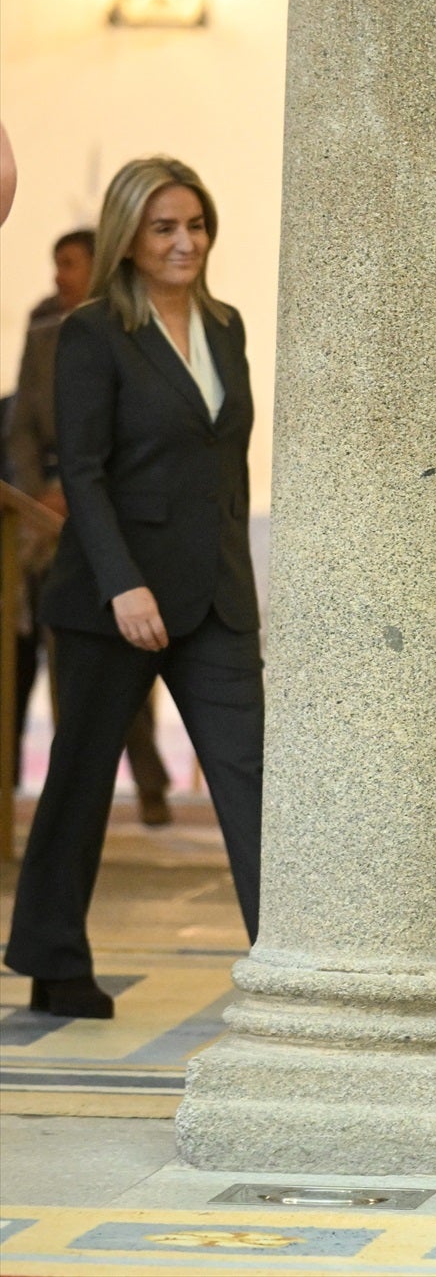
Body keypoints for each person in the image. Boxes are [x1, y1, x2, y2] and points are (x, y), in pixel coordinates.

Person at [3, 157, 263, 1019]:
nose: (185, 241)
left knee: (254, 777)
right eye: (165, 227)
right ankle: (52, 958)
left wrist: (247, 583)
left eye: (196, 224)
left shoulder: (226, 325)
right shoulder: (90, 333)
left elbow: (228, 469)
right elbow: (82, 469)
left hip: (216, 597)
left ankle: (294, 959)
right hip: (114, 599)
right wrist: (125, 586)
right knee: (79, 782)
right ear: (131, 238)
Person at [8, 229, 174, 824]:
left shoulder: (127, 320)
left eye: (70, 264)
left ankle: (150, 785)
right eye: (55, 265)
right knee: (48, 656)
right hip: (42, 515)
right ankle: (59, 795)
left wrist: (79, 493)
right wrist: (35, 497)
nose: (59, 276)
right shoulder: (41, 323)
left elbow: (129, 424)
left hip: (105, 503)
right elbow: (25, 420)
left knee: (117, 660)